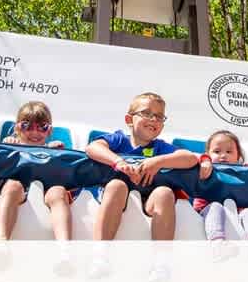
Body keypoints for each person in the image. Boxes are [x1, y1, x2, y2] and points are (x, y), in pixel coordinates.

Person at [85, 92, 199, 241]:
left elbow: (190, 158)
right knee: (117, 185)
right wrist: (118, 161)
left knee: (165, 193)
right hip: (116, 195)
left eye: (159, 116)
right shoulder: (119, 139)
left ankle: (161, 260)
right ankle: (101, 254)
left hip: (149, 198)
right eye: (146, 113)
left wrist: (158, 162)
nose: (153, 119)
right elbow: (93, 147)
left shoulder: (160, 147)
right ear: (129, 119)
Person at [0, 101, 74, 274]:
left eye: (42, 127)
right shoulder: (10, 145)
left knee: (58, 192)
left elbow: (66, 176)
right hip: (18, 190)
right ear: (17, 128)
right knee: (13, 186)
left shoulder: (52, 149)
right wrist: (8, 147)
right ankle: (1, 243)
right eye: (27, 125)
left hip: (45, 191)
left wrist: (55, 154)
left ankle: (64, 251)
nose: (34, 132)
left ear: (49, 131)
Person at [196, 130, 248, 243]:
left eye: (229, 151)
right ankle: (217, 241)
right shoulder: (206, 167)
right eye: (217, 151)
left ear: (238, 156)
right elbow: (193, 159)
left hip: (238, 212)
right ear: (208, 154)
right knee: (215, 206)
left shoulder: (240, 169)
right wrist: (205, 162)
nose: (223, 155)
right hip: (207, 210)